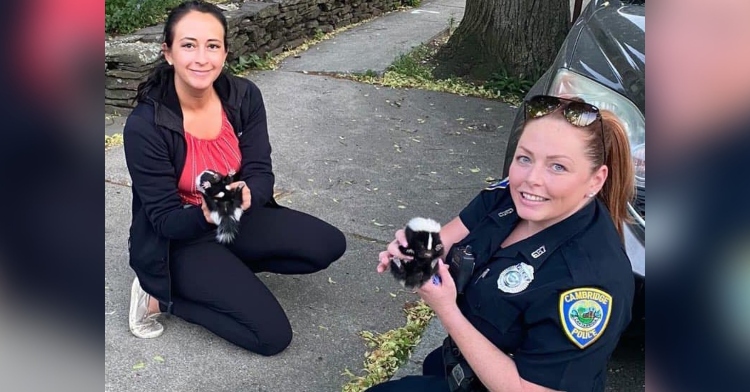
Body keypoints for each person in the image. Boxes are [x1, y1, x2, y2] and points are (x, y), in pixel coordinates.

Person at [122, 0, 346, 356]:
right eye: (188, 45)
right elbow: (163, 220)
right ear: (168, 53)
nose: (201, 58)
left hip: (233, 217)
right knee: (271, 337)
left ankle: (222, 274)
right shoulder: (145, 126)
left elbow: (261, 171)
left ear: (225, 52)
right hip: (179, 239)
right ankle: (161, 297)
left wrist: (249, 194)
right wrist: (206, 214)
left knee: (328, 245)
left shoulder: (243, 97)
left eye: (212, 45)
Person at [371, 95, 636, 391]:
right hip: (464, 360)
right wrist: (414, 253)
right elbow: (447, 238)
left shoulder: (590, 283)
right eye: (524, 158)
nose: (531, 179)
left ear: (595, 180)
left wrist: (446, 310)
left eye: (557, 167)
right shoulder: (508, 196)